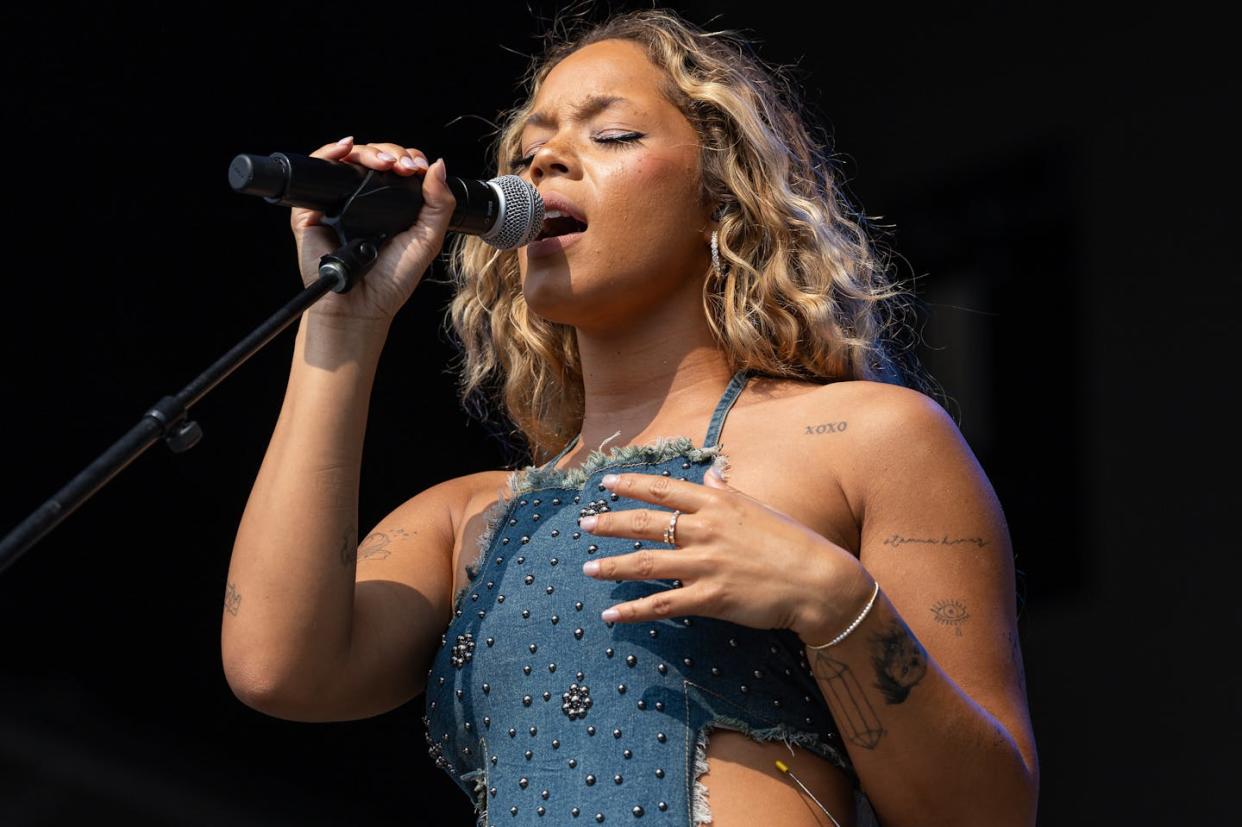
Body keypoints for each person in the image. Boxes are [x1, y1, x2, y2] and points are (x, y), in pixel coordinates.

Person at [221, 8, 1037, 826]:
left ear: (724, 197)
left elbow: (989, 811)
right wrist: (343, 322)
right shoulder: (475, 517)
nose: (544, 159)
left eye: (611, 136)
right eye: (526, 150)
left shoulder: (871, 439)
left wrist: (834, 601)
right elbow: (278, 665)